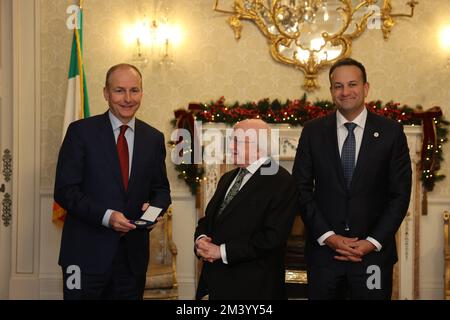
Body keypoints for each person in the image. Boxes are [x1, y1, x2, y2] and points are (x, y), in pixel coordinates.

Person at [292, 58, 412, 299]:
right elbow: (301, 189)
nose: (345, 92)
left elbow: (399, 194)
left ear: (366, 88)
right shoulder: (313, 131)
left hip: (373, 257)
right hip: (325, 256)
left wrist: (371, 242)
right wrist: (330, 238)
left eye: (352, 84)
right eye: (338, 86)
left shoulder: (391, 132)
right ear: (331, 91)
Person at [54, 63, 171, 300]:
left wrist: (152, 212)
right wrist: (107, 217)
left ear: (142, 93)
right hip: (84, 256)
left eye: (134, 90)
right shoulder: (80, 132)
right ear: (106, 93)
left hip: (132, 262)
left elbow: (161, 190)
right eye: (119, 90)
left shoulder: (153, 138)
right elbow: (66, 191)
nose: (128, 98)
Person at [194, 119, 298, 300]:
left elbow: (273, 238)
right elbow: (208, 220)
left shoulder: (281, 181)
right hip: (216, 282)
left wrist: (221, 252)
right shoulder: (228, 177)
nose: (231, 146)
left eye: (237, 141)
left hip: (254, 288)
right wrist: (201, 239)